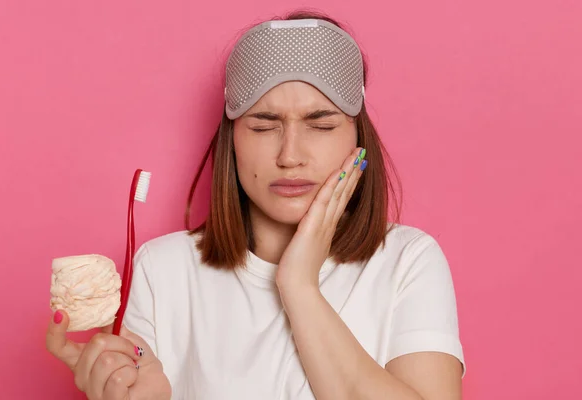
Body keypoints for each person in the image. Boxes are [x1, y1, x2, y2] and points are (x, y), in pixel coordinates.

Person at [46, 10, 465, 400]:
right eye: (264, 126)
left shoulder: (408, 260)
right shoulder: (163, 268)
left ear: (357, 138)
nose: (290, 155)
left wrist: (299, 284)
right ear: (233, 140)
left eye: (321, 125)